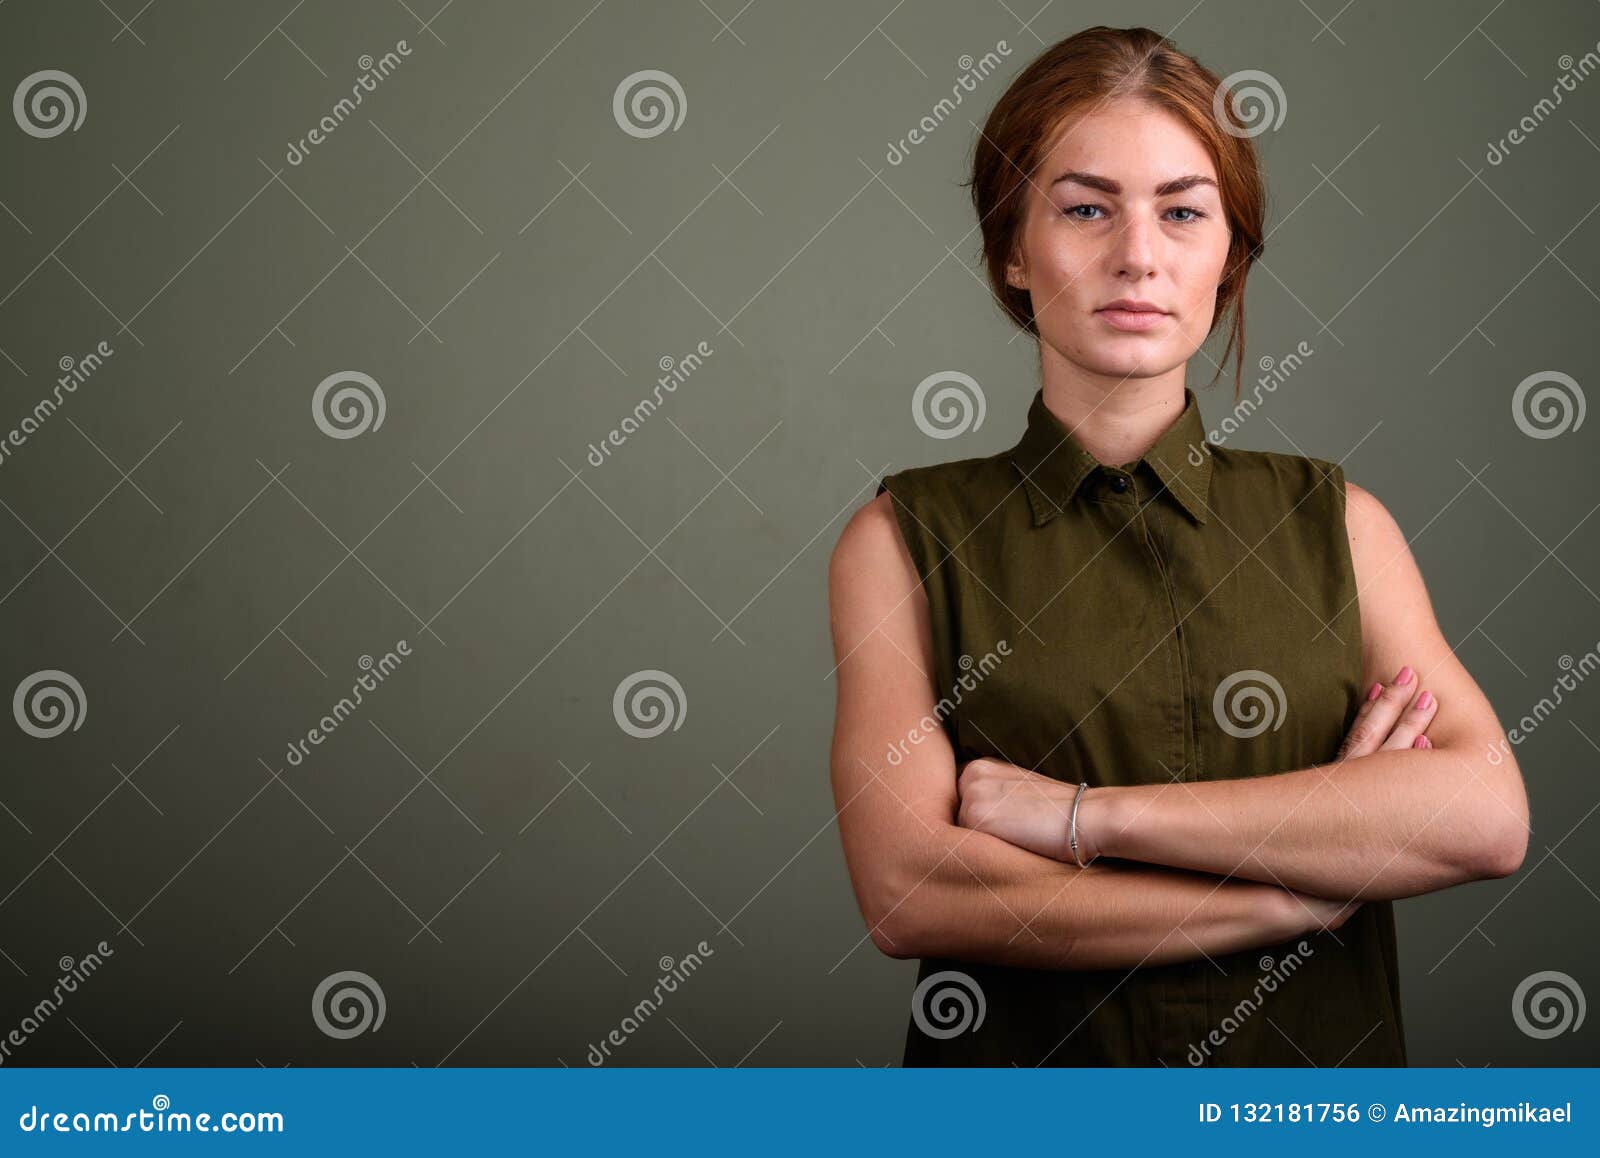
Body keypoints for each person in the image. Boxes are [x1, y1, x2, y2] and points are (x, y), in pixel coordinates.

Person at [826, 25, 1529, 1067]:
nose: (1138, 256)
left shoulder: (1339, 524)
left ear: (1229, 254)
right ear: (1012, 248)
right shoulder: (902, 537)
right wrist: (1295, 893)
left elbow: (1482, 818)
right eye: (1083, 208)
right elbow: (912, 892)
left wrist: (1084, 818)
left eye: (1183, 211)